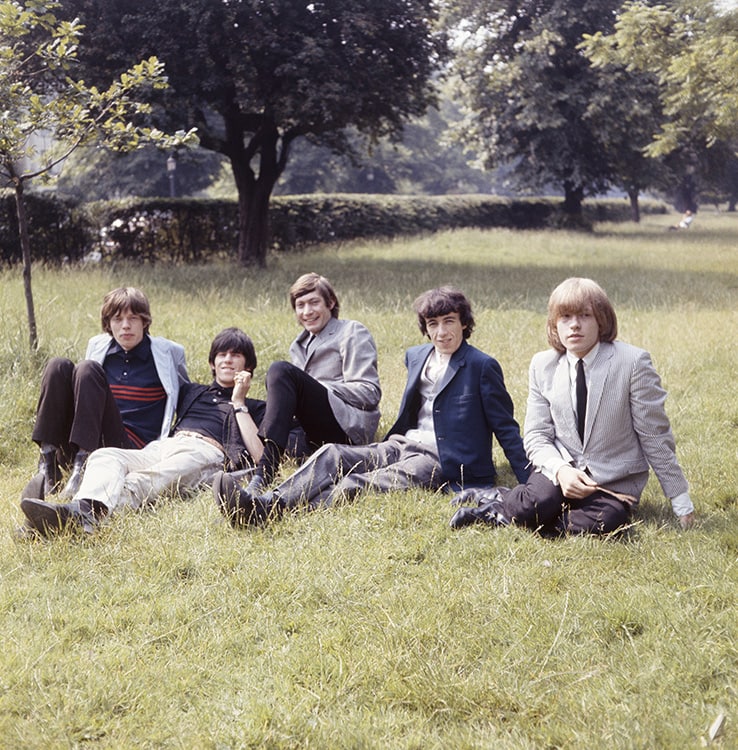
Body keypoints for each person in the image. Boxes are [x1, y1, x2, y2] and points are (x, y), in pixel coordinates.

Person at [214, 286, 530, 526]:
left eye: (449, 322)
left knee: (357, 483)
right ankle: (267, 500)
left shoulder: (481, 366)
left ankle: (270, 513)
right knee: (332, 454)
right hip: (403, 443)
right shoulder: (417, 356)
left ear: (464, 324)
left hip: (441, 459)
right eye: (433, 323)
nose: (441, 332)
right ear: (425, 327)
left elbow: (505, 427)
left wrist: (529, 484)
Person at [449, 277, 695, 535]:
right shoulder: (542, 365)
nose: (574, 325)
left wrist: (681, 502)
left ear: (602, 320)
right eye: (565, 317)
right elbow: (536, 435)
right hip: (559, 468)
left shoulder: (632, 363)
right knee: (535, 505)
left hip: (609, 484)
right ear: (555, 325)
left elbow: (654, 436)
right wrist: (561, 470)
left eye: (585, 315)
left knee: (603, 524)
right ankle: (500, 504)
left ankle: (511, 510)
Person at [20, 328, 266, 535]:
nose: (227, 360)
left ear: (249, 365)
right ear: (212, 363)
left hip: (205, 453)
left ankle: (65, 521)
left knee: (140, 480)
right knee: (105, 456)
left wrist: (239, 402)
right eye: (221, 354)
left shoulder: (254, 407)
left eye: (236, 355)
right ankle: (75, 514)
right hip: (164, 445)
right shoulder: (193, 391)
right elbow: (155, 381)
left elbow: (259, 455)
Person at [28, 287, 189, 500]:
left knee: (88, 369)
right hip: (84, 441)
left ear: (145, 321)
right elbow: (83, 399)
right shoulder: (97, 346)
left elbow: (187, 397)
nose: (125, 326)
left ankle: (83, 466)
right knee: (58, 365)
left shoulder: (168, 353)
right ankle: (49, 462)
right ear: (108, 324)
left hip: (128, 450)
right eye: (117, 319)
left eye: (133, 318)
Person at [235, 272, 382, 499]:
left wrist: (318, 388)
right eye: (300, 305)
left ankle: (265, 472)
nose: (307, 312)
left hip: (347, 428)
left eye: (314, 303)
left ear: (330, 303)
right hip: (312, 432)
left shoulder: (351, 331)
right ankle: (236, 479)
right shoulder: (300, 344)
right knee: (255, 415)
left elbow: (369, 393)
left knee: (279, 370)